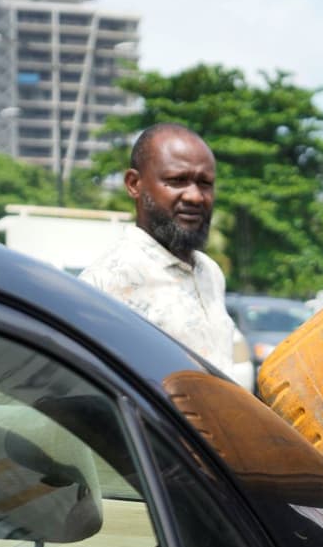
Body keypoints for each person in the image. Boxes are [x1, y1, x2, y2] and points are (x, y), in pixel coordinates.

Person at [80, 123, 239, 373]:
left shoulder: (209, 271)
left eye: (205, 183)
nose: (195, 196)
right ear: (134, 184)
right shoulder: (106, 282)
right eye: (177, 181)